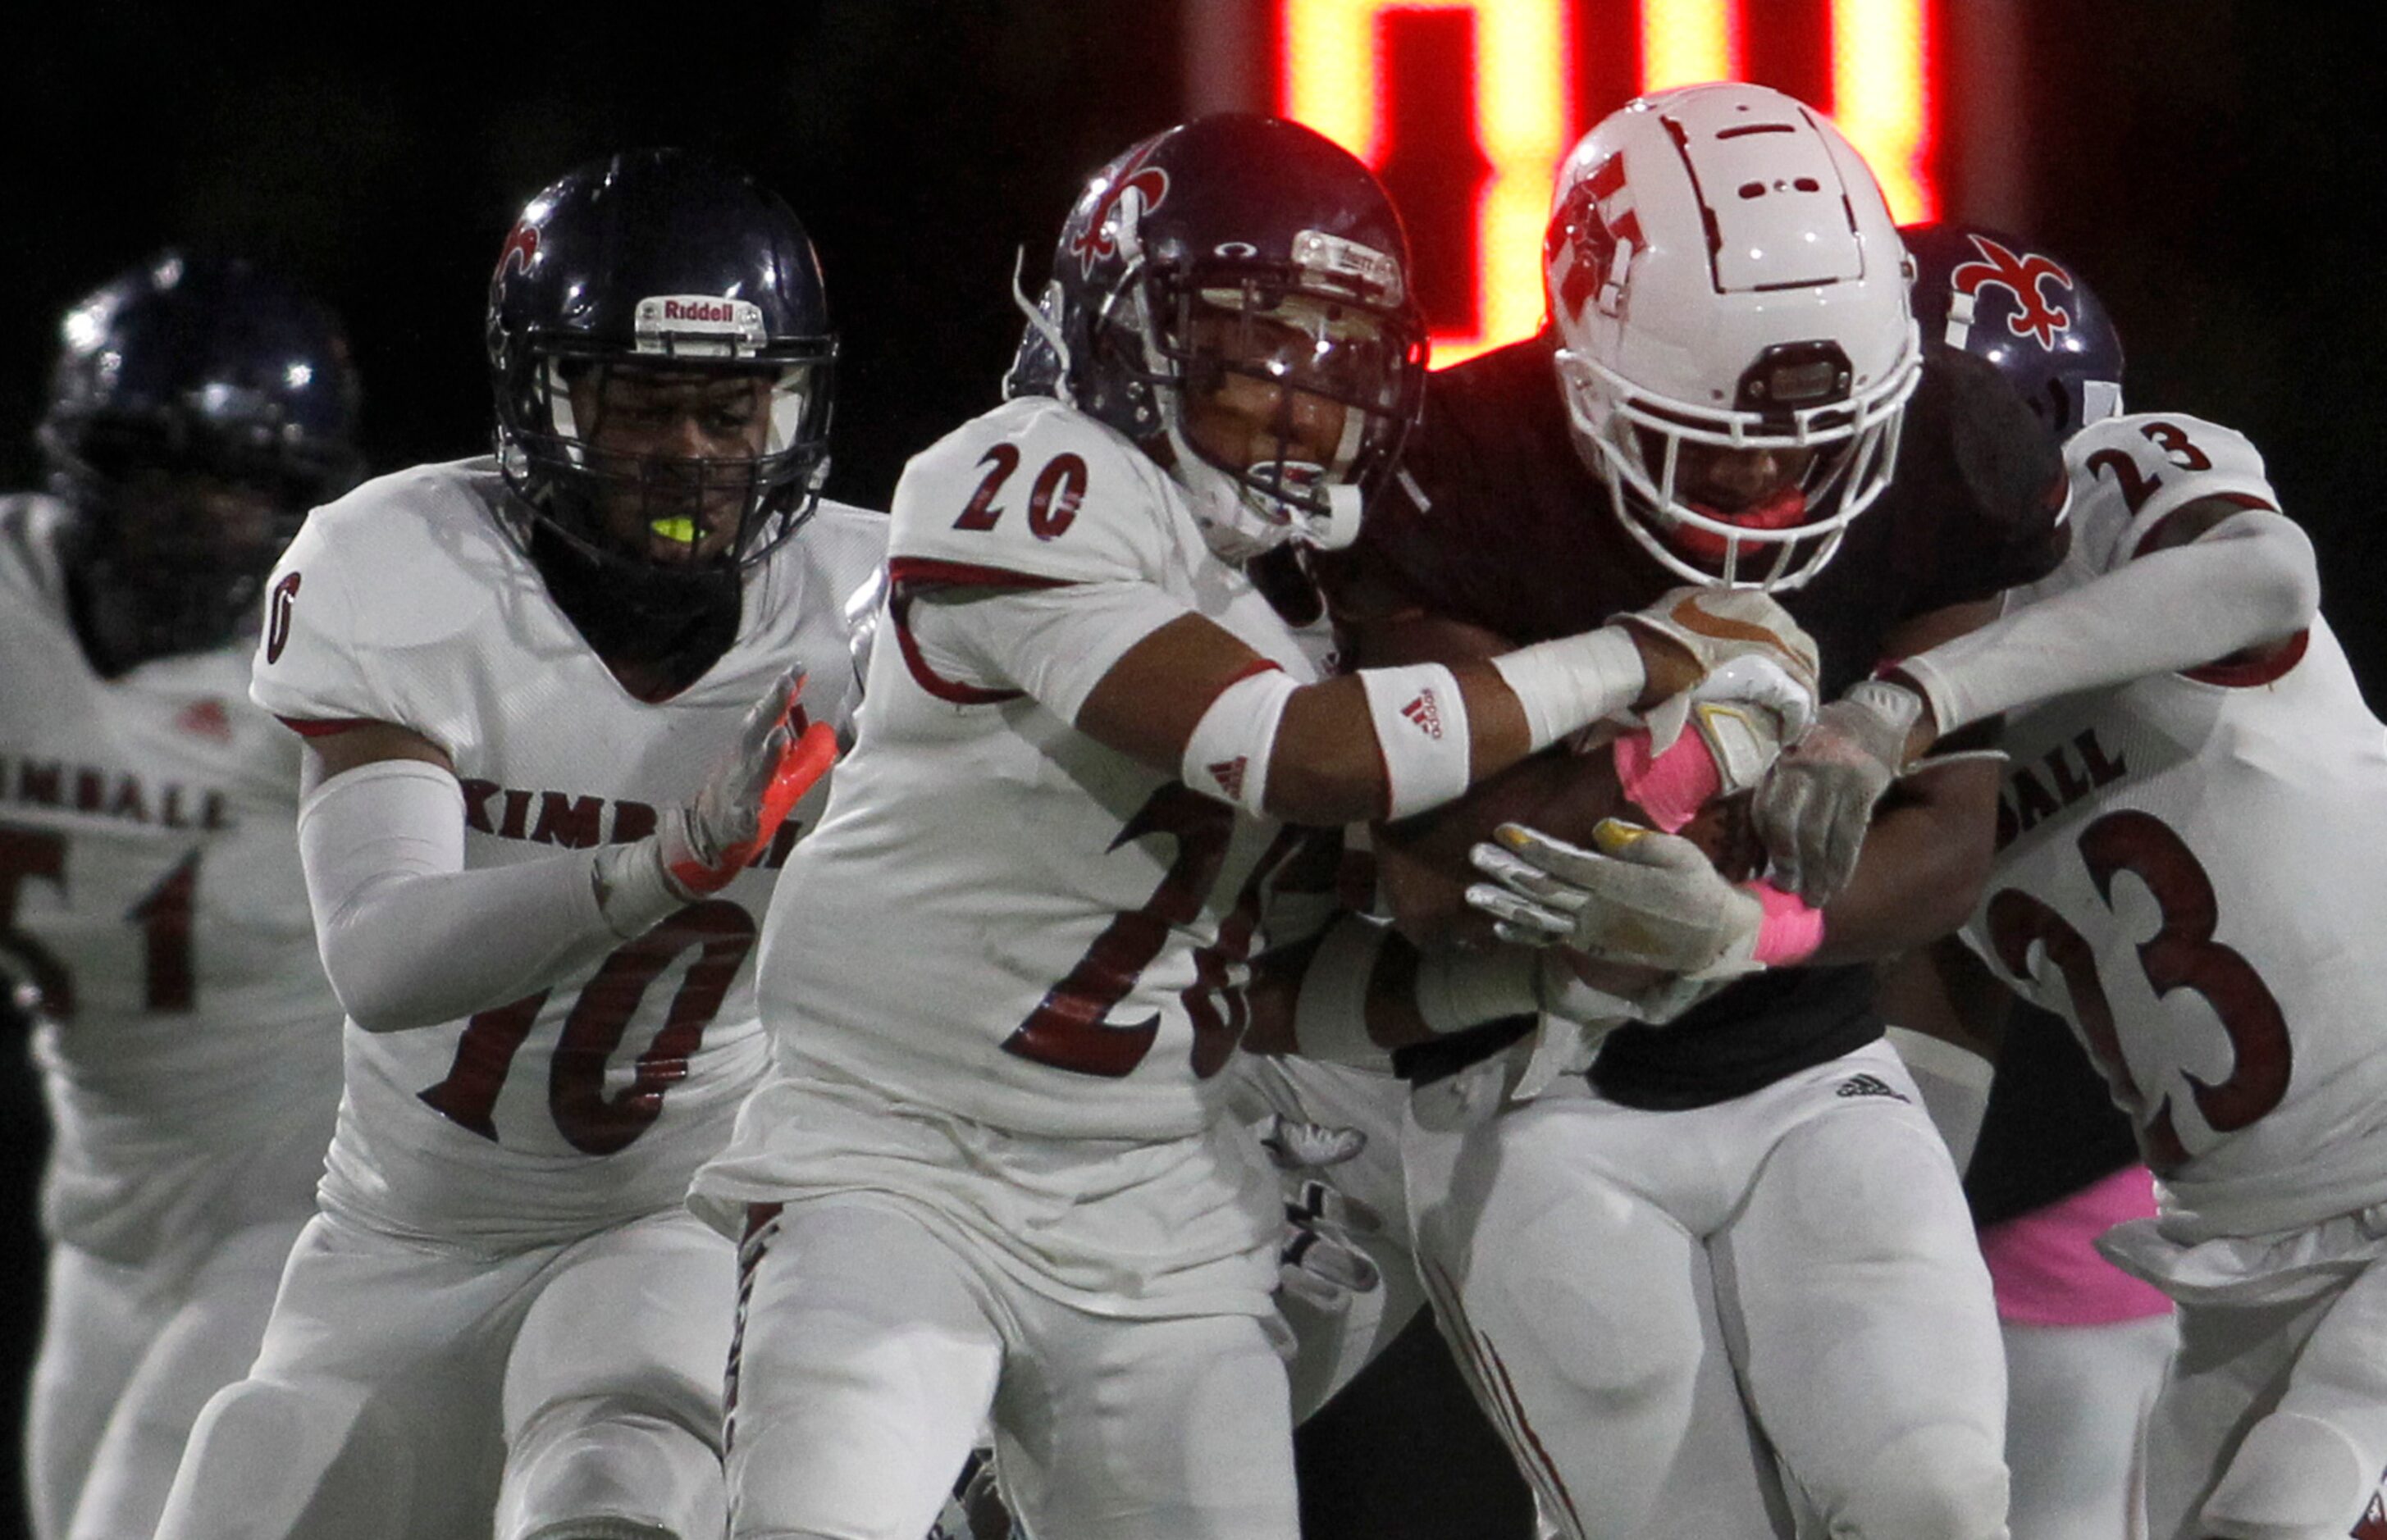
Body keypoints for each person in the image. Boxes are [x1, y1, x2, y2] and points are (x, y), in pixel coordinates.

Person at [687, 111, 1822, 1540]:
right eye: (1252, 356)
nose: (1297, 409)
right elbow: (1293, 756)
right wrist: (1647, 653)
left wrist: (1528, 980)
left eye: (1336, 369)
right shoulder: (1030, 476)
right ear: (1130, 339)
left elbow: (1266, 993)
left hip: (1154, 1192)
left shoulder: (1306, 613)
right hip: (893, 1160)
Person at [1326, 83, 2074, 1538]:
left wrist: (1755, 925)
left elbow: (1947, 838)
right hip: (1529, 1092)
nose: (1767, 480)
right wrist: (1667, 749)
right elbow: (1440, 869)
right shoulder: (1462, 471)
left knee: (1934, 1495)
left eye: (1812, 441)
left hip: (1808, 1059)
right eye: (1712, 437)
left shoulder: (1946, 450)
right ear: (1581, 367)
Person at [151, 148, 888, 1540]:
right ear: (541, 401)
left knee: (617, 1463)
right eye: (641, 403)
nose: (686, 451)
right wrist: (658, 865)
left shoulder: (876, 612)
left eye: (727, 407)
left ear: (787, 409)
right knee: (247, 1483)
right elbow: (380, 951)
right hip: (400, 1232)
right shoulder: (408, 565)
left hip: (672, 1206)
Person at [1788, 220, 2387, 1540]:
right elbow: (1919, 1129)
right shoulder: (1905, 726)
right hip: (2237, 1255)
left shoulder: (2115, 488)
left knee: (2280, 1513)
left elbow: (2266, 572)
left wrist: (1921, 694)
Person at [0, 253, 360, 1540]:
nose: (204, 516)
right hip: (103, 1211)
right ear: (88, 464)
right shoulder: (12, 606)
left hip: (295, 1204)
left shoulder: (333, 651)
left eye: (244, 481)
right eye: (167, 470)